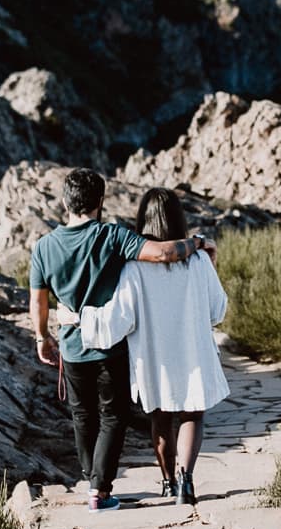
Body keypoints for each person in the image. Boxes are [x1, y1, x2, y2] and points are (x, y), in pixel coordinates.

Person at [28, 168, 211, 510]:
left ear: (65, 202)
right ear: (100, 202)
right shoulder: (112, 236)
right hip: (111, 346)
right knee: (114, 416)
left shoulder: (43, 247)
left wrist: (42, 337)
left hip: (72, 345)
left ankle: (93, 482)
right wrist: (198, 243)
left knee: (82, 416)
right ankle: (100, 489)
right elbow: (162, 253)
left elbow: (38, 299)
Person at [85, 188, 229, 506]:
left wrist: (83, 319)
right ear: (180, 219)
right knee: (193, 415)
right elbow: (217, 311)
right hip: (193, 351)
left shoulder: (134, 267)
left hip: (155, 357)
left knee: (161, 420)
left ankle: (168, 482)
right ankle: (187, 483)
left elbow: (120, 319)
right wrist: (212, 263)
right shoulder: (200, 261)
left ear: (143, 221)